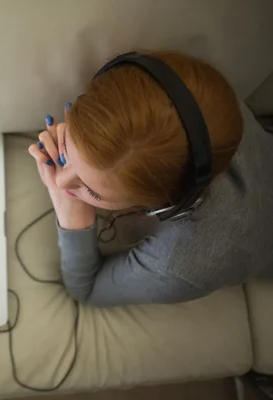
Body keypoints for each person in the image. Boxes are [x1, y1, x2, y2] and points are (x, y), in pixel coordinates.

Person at [28, 50, 273, 307]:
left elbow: (86, 290)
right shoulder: (201, 95)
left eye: (95, 191)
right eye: (67, 147)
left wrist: (72, 213)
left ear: (162, 204)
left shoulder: (182, 264)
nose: (60, 180)